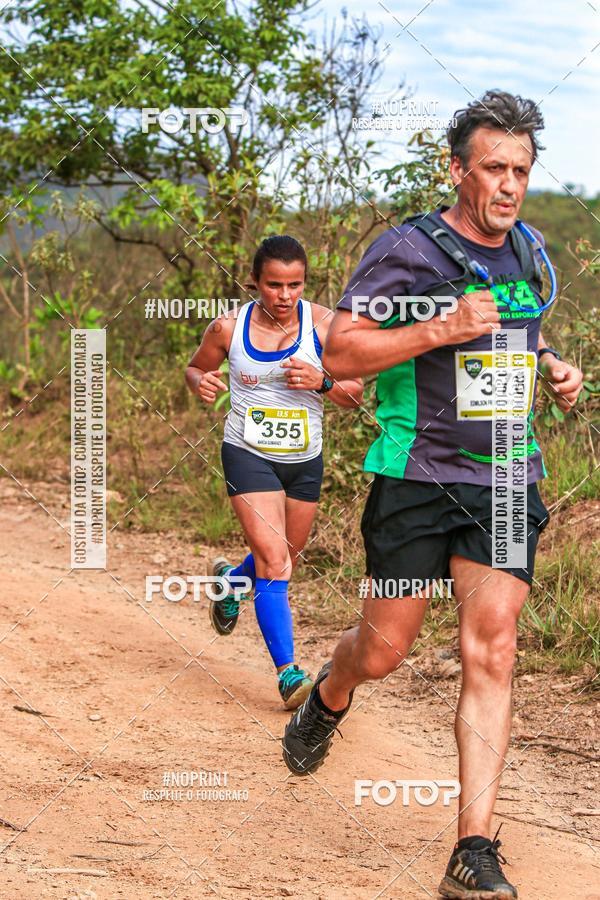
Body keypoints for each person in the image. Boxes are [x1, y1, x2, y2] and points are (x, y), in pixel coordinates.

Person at [282, 91, 584, 897]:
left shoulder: (530, 250)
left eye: (521, 169)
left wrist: (554, 369)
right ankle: (331, 689)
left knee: (493, 648)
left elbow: (520, 333)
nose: (510, 184)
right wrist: (438, 329)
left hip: (504, 482)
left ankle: (472, 852)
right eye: (494, 167)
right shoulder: (408, 252)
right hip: (415, 478)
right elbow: (342, 354)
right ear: (458, 170)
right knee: (385, 650)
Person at [185, 235, 363, 710]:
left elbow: (355, 393)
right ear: (255, 283)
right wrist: (201, 382)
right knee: (274, 564)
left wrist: (323, 381)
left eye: (295, 284)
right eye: (274, 285)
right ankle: (288, 675)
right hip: (247, 453)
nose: (285, 296)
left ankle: (229, 582)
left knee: (284, 560)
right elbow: (194, 367)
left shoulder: (325, 324)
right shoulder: (228, 328)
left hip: (305, 461)